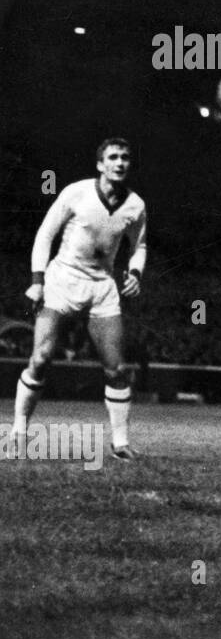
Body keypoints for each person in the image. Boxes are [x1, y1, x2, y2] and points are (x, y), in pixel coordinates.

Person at [8, 138, 147, 461]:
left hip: (102, 288)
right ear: (100, 164)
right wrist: (37, 281)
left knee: (116, 368)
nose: (120, 162)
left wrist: (136, 274)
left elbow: (139, 245)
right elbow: (45, 234)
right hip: (62, 281)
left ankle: (120, 444)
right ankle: (18, 430)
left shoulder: (136, 205)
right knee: (41, 358)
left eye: (125, 157)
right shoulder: (75, 192)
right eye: (113, 157)